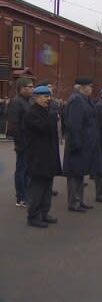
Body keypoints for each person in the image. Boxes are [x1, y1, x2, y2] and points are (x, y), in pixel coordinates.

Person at [23, 85, 61, 227]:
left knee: (47, 186)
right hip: (37, 156)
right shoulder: (31, 113)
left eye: (49, 96)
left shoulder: (46, 111)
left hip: (49, 155)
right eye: (45, 97)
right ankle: (33, 216)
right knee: (37, 188)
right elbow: (44, 128)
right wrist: (52, 114)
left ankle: (44, 212)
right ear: (36, 98)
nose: (48, 99)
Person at [63, 77, 99, 212]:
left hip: (85, 143)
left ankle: (80, 200)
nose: (91, 89)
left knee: (81, 173)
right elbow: (74, 124)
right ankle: (73, 202)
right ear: (82, 87)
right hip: (77, 144)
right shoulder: (76, 101)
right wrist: (77, 143)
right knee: (74, 174)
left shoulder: (85, 100)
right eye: (89, 86)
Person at [7, 77, 33, 207]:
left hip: (30, 141)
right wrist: (19, 142)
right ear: (22, 88)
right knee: (21, 169)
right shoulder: (17, 102)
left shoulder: (28, 101)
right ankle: (21, 197)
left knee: (27, 169)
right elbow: (14, 125)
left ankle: (27, 193)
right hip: (23, 142)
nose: (32, 89)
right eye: (30, 86)